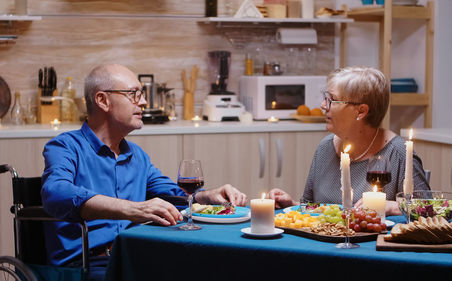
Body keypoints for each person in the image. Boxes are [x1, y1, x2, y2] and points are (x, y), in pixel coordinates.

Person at [41, 64, 247, 275]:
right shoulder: (65, 146)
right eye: (133, 94)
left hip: (135, 258)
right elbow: (56, 192)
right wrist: (134, 209)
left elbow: (173, 194)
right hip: (86, 266)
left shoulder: (137, 156)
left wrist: (207, 196)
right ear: (102, 100)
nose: (144, 102)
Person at [269, 66, 430, 215]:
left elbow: (431, 211)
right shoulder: (325, 148)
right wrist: (292, 205)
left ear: (361, 111)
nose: (323, 105)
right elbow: (313, 207)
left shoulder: (399, 153)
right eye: (325, 98)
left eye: (331, 99)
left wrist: (394, 206)